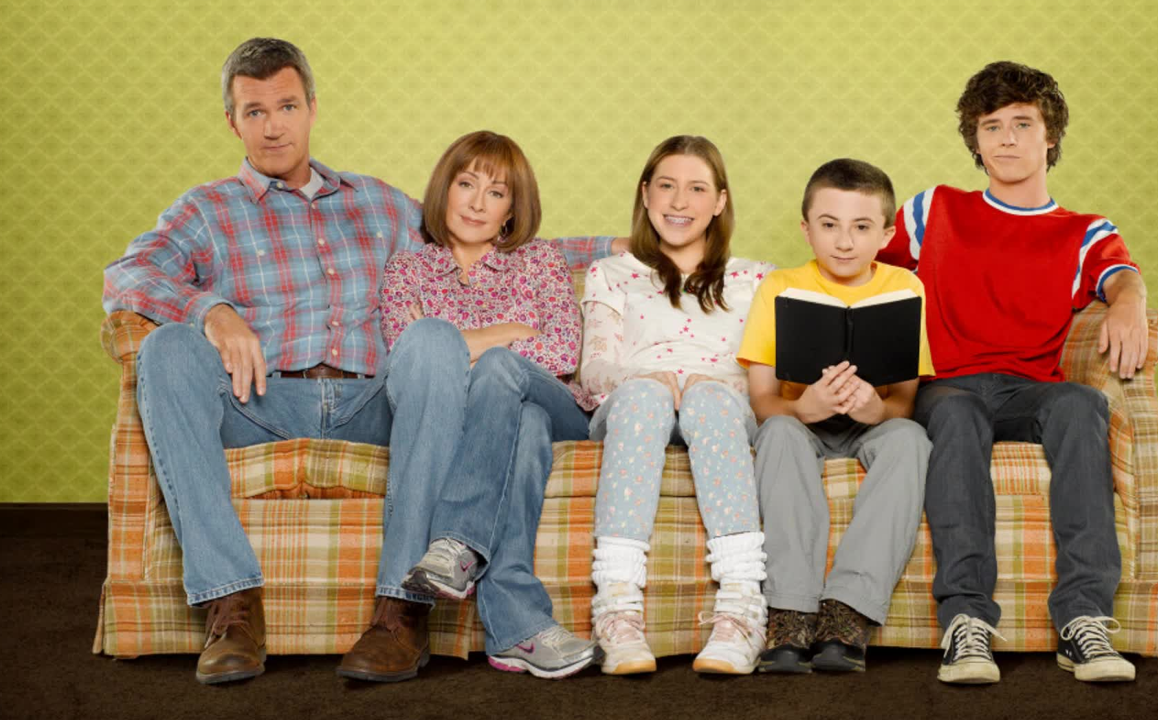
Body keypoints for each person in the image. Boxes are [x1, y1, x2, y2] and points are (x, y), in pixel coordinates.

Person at [101, 38, 621, 685]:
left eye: (287, 106)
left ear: (312, 108)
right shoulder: (205, 211)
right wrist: (212, 310)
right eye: (255, 111)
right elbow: (126, 276)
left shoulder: (378, 204)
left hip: (374, 401)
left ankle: (401, 612)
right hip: (259, 399)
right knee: (166, 348)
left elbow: (484, 229)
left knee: (430, 338)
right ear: (232, 121)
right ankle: (232, 608)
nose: (273, 126)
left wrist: (634, 243)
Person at [877, 61, 1147, 684]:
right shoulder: (934, 209)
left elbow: (1119, 274)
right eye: (990, 126)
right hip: (948, 384)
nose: (1005, 139)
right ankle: (966, 620)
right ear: (975, 141)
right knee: (956, 412)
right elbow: (863, 267)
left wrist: (1130, 299)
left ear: (1050, 136)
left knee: (1082, 403)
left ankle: (1084, 618)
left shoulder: (1083, 230)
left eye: (1022, 124)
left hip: (1031, 390)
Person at [342, 130, 596, 681]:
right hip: (500, 420)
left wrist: (465, 343)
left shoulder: (539, 260)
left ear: (512, 209)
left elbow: (559, 351)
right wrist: (511, 330)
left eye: (496, 192)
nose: (478, 203)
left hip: (555, 403)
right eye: (466, 184)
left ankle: (456, 540)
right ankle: (518, 629)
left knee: (504, 372)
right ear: (445, 189)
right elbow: (413, 363)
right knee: (522, 422)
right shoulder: (408, 270)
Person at [581, 135, 774, 675]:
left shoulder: (758, 278)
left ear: (720, 201)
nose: (679, 201)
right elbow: (593, 371)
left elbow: (772, 377)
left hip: (720, 408)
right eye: (666, 186)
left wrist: (712, 384)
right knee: (644, 395)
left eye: (697, 189)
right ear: (646, 194)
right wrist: (645, 378)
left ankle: (741, 608)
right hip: (633, 406)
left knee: (709, 397)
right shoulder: (610, 273)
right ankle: (616, 608)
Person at [736, 159, 933, 673]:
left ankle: (848, 611)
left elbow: (904, 403)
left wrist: (877, 409)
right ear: (806, 228)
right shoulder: (779, 286)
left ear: (886, 234)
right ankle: (791, 612)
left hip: (873, 423)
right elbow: (763, 401)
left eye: (862, 227)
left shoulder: (906, 287)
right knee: (778, 432)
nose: (844, 242)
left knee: (910, 438)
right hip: (801, 421)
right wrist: (802, 408)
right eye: (829, 225)